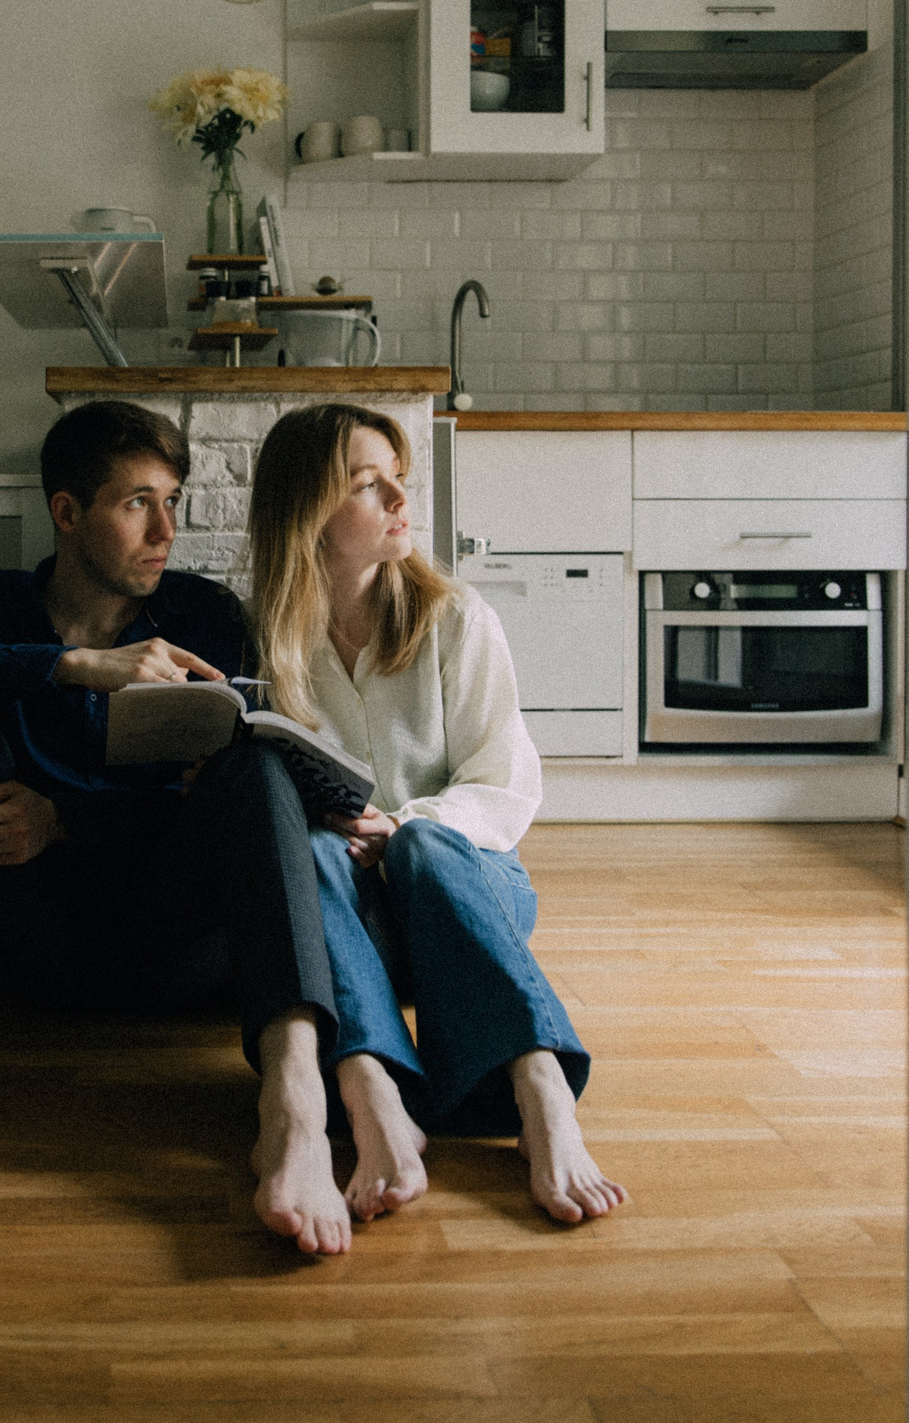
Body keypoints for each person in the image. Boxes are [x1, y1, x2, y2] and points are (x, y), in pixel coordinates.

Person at [0, 400, 357, 1255]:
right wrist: (70, 666)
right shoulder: (0, 606)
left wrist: (67, 820)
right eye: (136, 504)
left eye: (173, 501)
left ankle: (295, 1100)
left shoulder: (205, 618)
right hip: (32, 946)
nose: (165, 529)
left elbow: (218, 806)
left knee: (256, 760)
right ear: (67, 512)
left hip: (177, 945)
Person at [243, 402, 628, 1226]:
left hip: (467, 892)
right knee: (308, 852)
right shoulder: (268, 644)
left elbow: (507, 783)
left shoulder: (455, 620)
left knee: (424, 844)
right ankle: (374, 1093)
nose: (397, 500)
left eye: (399, 481)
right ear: (307, 512)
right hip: (352, 925)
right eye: (367, 485)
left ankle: (540, 1087)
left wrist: (410, 823)